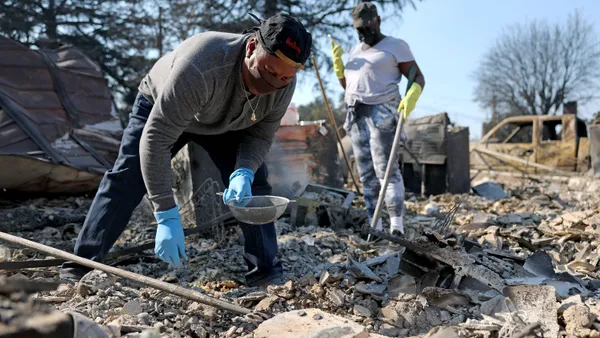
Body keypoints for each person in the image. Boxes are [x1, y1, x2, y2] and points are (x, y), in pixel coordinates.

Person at [60, 13, 312, 287]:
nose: (272, 85)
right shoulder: (202, 65)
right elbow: (155, 140)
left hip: (226, 121)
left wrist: (244, 171)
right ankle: (80, 267)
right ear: (251, 47)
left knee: (256, 188)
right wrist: (166, 214)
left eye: (283, 78)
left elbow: (260, 137)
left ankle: (266, 274)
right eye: (268, 72)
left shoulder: (283, 82)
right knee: (127, 179)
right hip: (165, 107)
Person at [330, 1, 425, 236]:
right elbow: (350, 85)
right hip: (356, 113)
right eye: (359, 29)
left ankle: (396, 227)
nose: (364, 32)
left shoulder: (395, 46)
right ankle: (376, 226)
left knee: (386, 171)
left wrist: (412, 95)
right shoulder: (354, 52)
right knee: (366, 174)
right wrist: (340, 70)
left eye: (367, 26)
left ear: (378, 20)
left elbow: (417, 77)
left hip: (382, 112)